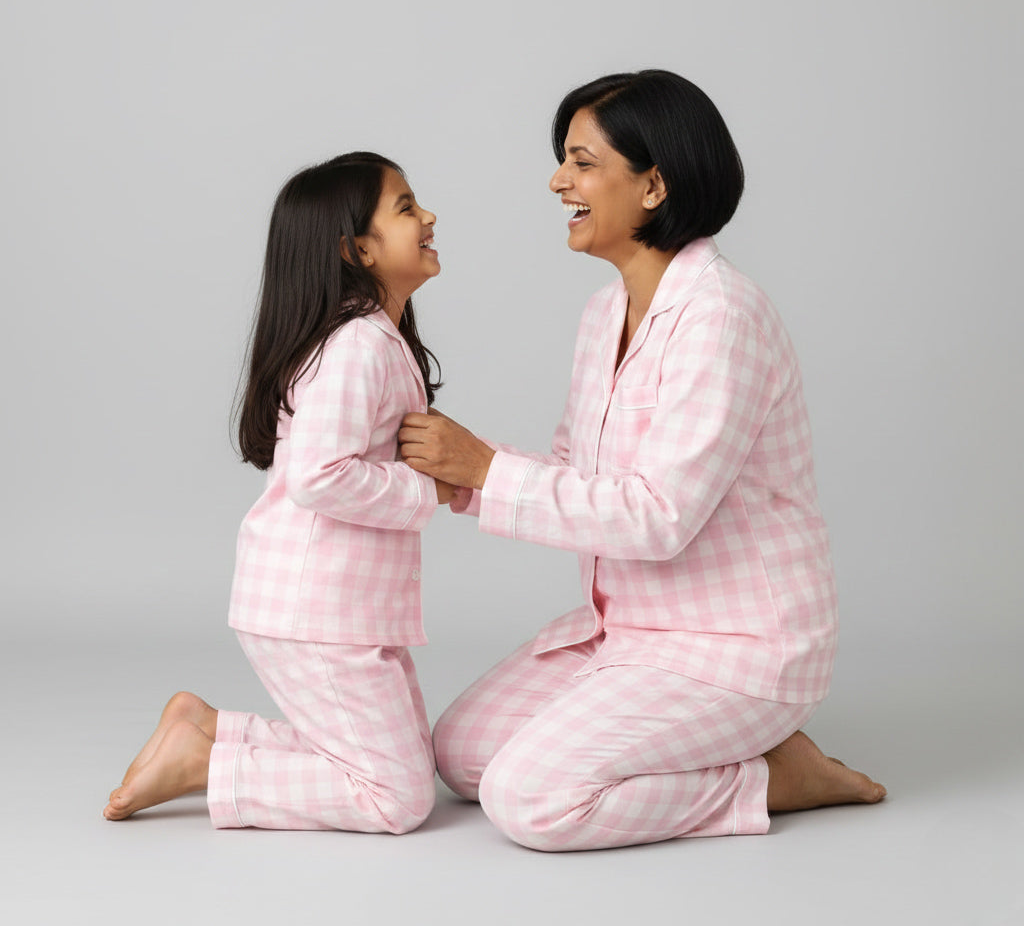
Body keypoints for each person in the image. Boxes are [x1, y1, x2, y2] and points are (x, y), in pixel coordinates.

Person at [399, 71, 886, 852]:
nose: (559, 182)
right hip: (627, 631)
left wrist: (489, 468)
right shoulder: (604, 314)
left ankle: (771, 777)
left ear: (654, 183)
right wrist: (463, 477)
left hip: (736, 651)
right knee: (461, 755)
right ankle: (722, 754)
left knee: (530, 802)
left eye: (583, 163)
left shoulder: (721, 316)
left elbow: (659, 518)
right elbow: (579, 473)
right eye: (565, 161)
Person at [104, 152, 451, 831]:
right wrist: (427, 489)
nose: (429, 216)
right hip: (317, 611)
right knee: (397, 798)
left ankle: (207, 729)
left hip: (342, 609)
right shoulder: (358, 346)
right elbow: (320, 476)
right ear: (356, 249)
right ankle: (210, 767)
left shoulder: (374, 338)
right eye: (407, 207)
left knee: (407, 758)